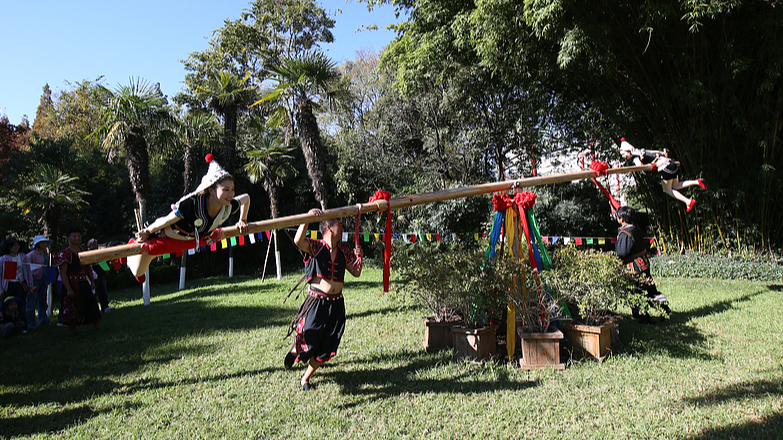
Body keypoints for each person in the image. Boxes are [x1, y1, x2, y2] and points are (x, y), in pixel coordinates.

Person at [128, 154, 250, 282]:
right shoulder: (190, 204)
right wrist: (148, 231)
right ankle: (132, 246)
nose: (231, 194)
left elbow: (246, 198)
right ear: (211, 190)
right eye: (226, 189)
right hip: (165, 237)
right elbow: (166, 220)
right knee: (138, 271)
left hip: (194, 240)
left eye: (232, 189)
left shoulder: (228, 205)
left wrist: (243, 220)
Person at [284, 208, 364, 391]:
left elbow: (357, 272)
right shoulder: (316, 246)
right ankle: (296, 350)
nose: (343, 228)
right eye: (339, 224)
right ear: (329, 226)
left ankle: (305, 379)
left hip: (336, 305)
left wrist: (359, 256)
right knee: (310, 339)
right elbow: (298, 241)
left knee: (328, 344)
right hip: (317, 303)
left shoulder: (344, 252)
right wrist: (307, 218)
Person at [615, 206, 671, 322]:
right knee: (650, 288)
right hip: (643, 263)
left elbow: (622, 252)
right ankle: (664, 309)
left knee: (635, 291)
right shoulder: (635, 228)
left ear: (621, 219)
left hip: (634, 267)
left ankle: (642, 315)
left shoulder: (626, 232)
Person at [619, 139, 706, 212]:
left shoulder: (635, 157)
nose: (624, 156)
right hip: (671, 163)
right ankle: (697, 181)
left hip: (665, 167)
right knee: (676, 185)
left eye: (623, 154)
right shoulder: (641, 150)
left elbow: (641, 166)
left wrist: (637, 168)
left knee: (667, 189)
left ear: (628, 150)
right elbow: (655, 152)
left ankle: (688, 201)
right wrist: (662, 153)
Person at [55, 227, 102, 335]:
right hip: (71, 283)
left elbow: (88, 268)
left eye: (78, 236)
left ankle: (96, 324)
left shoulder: (84, 251)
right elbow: (63, 273)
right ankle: (72, 330)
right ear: (68, 238)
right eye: (74, 236)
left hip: (84, 281)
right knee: (71, 306)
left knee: (91, 303)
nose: (77, 238)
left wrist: (92, 282)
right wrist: (68, 289)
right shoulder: (65, 253)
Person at [0, 236, 34, 327]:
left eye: (17, 245)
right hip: (8, 285)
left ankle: (23, 325)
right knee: (7, 305)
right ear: (9, 247)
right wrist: (1, 289)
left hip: (20, 284)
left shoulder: (23, 257)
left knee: (21, 305)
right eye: (13, 245)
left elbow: (28, 271)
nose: (16, 247)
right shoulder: (3, 259)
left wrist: (30, 284)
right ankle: (6, 325)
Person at [26, 235, 52, 328]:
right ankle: (31, 323)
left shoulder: (46, 254)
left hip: (44, 279)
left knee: (43, 301)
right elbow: (27, 268)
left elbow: (48, 266)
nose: (45, 244)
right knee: (31, 302)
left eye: (45, 242)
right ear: (37, 244)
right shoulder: (31, 255)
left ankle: (43, 321)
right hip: (34, 280)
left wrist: (50, 278)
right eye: (42, 242)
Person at [87, 239, 114, 313]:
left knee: (103, 291)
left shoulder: (100, 252)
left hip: (101, 274)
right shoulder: (87, 254)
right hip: (93, 276)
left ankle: (105, 306)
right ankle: (93, 309)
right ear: (90, 246)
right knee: (93, 293)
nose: (96, 246)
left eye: (97, 244)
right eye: (94, 245)